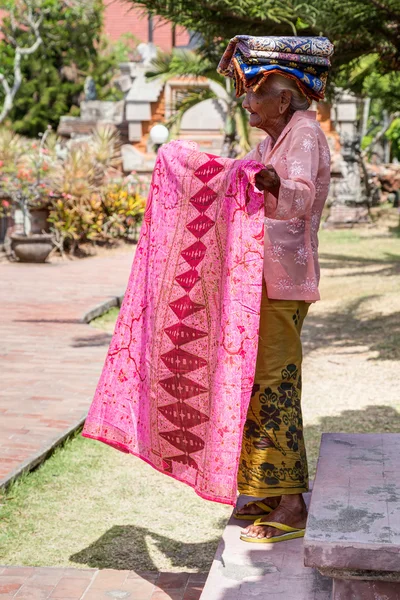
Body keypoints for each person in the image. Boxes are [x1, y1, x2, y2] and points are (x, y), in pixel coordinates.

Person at [217, 37, 333, 543]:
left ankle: (292, 505)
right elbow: (240, 174)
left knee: (276, 384)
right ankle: (265, 486)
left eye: (253, 92)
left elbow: (301, 198)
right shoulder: (272, 141)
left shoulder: (303, 133)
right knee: (260, 385)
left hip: (282, 281)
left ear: (284, 99)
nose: (245, 103)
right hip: (263, 279)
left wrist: (268, 183)